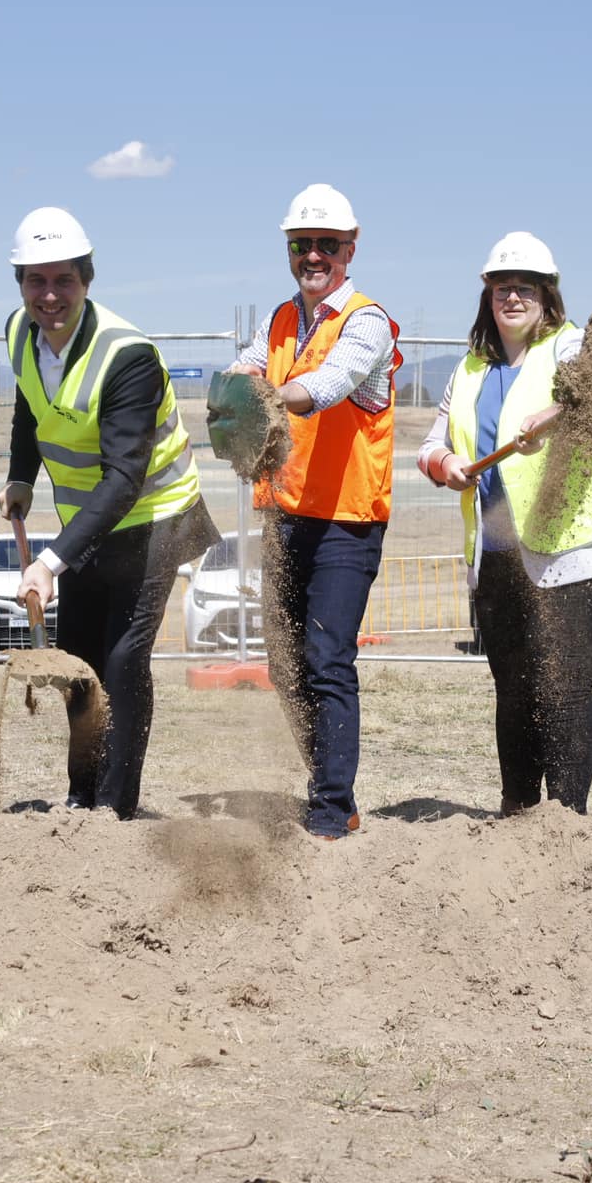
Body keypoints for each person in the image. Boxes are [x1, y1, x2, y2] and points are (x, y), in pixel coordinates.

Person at [0, 207, 219, 818]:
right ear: (19, 283)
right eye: (35, 281)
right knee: (76, 658)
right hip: (90, 518)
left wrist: (48, 561)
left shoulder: (129, 356)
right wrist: (22, 474)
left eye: (63, 280)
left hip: (155, 515)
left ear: (87, 280)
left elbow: (125, 478)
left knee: (122, 657)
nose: (49, 295)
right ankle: (81, 792)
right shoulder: (20, 332)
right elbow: (29, 403)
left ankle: (114, 808)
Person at [415, 232, 592, 815]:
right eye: (500, 289)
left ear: (547, 295)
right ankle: (517, 816)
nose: (511, 298)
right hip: (498, 555)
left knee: (562, 687)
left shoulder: (569, 350)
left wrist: (561, 410)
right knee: (514, 692)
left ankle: (566, 824)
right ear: (487, 297)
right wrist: (446, 465)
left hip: (579, 548)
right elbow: (433, 441)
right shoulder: (468, 370)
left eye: (525, 288)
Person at [226, 184, 401, 841]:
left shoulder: (365, 321)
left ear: (350, 250)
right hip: (286, 518)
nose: (314, 256)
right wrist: (231, 394)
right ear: (290, 250)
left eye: (328, 245)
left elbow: (327, 386)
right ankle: (323, 776)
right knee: (285, 664)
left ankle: (333, 807)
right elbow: (243, 370)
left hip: (345, 522)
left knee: (328, 658)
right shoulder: (279, 320)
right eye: (303, 245)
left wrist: (268, 396)